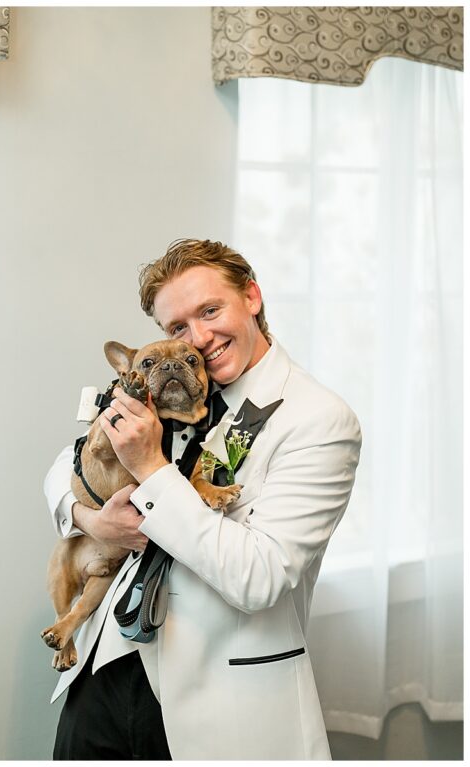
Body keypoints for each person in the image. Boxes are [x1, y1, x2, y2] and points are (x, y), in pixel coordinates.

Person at [44, 239, 361, 760]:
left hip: (219, 697)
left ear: (252, 297)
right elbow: (70, 460)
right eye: (178, 327)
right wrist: (89, 519)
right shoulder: (172, 379)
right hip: (104, 667)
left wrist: (151, 467)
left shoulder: (320, 419)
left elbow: (259, 577)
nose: (200, 338)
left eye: (210, 310)